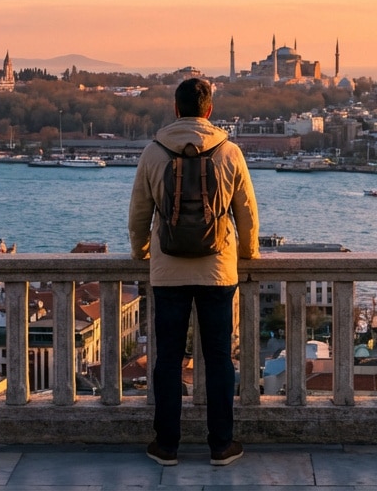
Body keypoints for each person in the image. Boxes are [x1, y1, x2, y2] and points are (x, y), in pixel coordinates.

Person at [129, 77, 259, 467]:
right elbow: (247, 213)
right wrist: (247, 253)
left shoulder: (153, 153)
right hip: (217, 269)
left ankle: (166, 444)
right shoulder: (229, 151)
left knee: (167, 358)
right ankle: (221, 445)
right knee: (219, 358)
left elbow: (139, 214)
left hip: (168, 271)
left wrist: (143, 252)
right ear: (209, 110)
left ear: (175, 108)